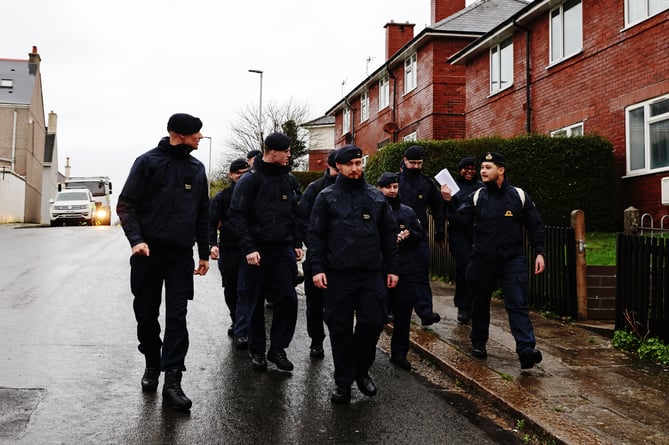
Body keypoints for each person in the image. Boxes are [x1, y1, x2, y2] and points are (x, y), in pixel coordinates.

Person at [116, 113, 209, 411]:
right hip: (147, 254)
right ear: (179, 134)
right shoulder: (147, 163)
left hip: (180, 256)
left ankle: (173, 380)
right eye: (196, 133)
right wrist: (136, 240)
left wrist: (204, 253)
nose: (200, 137)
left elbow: (203, 214)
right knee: (146, 314)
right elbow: (126, 205)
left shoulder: (197, 169)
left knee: (177, 317)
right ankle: (152, 363)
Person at [307, 145, 399, 403]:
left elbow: (389, 235)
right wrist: (317, 268)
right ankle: (343, 382)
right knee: (340, 328)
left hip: (371, 274)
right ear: (339, 167)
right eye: (350, 164)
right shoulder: (326, 197)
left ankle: (361, 370)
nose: (356, 168)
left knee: (373, 321)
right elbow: (316, 235)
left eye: (359, 163)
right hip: (338, 275)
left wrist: (393, 268)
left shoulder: (376, 197)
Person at [440, 152, 545, 369]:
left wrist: (540, 252)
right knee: (480, 303)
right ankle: (479, 342)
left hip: (512, 260)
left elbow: (535, 225)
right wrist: (448, 203)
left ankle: (526, 350)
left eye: (488, 167)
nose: (482, 171)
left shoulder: (519, 196)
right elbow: (460, 221)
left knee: (517, 304)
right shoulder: (478, 196)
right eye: (482, 168)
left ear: (501, 170)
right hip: (482, 260)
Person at [227, 132, 304, 372]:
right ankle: (257, 350)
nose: (290, 155)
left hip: (282, 249)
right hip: (257, 251)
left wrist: (296, 243)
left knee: (289, 299)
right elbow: (237, 216)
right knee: (255, 302)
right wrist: (248, 248)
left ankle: (277, 349)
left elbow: (294, 213)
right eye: (287, 151)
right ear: (273, 152)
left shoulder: (287, 180)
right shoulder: (250, 180)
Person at [376, 172, 426, 371]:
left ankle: (399, 354)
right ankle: (365, 352)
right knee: (374, 315)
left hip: (404, 270)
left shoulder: (407, 211)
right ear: (380, 188)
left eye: (395, 187)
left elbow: (420, 235)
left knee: (403, 315)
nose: (392, 191)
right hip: (379, 270)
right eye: (388, 187)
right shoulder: (374, 209)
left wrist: (409, 234)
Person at [297, 151, 339, 359]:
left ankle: (341, 344)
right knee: (315, 304)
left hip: (344, 260)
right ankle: (316, 340)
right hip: (318, 257)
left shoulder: (358, 191)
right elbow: (302, 219)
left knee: (339, 306)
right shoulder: (315, 189)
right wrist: (312, 243)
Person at [398, 145, 442, 326]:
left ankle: (425, 311)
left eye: (419, 163)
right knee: (397, 273)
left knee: (421, 273)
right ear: (405, 161)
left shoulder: (427, 183)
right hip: (398, 235)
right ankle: (392, 308)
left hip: (419, 235)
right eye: (412, 163)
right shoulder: (396, 182)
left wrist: (440, 232)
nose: (416, 166)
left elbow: (438, 207)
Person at [208, 158, 250, 349]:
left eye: (245, 174)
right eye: (238, 174)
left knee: (245, 289)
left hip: (249, 249)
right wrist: (212, 245)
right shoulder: (222, 197)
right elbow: (210, 222)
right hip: (228, 248)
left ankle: (242, 330)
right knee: (231, 289)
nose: (242, 178)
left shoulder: (255, 195)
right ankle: (236, 319)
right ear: (231, 175)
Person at [444, 157, 484, 324]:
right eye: (465, 168)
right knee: (465, 268)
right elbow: (450, 214)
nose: (469, 171)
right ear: (459, 170)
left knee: (478, 271)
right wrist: (448, 202)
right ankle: (463, 307)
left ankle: (475, 306)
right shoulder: (452, 188)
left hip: (477, 233)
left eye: (472, 168)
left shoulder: (482, 187)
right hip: (458, 234)